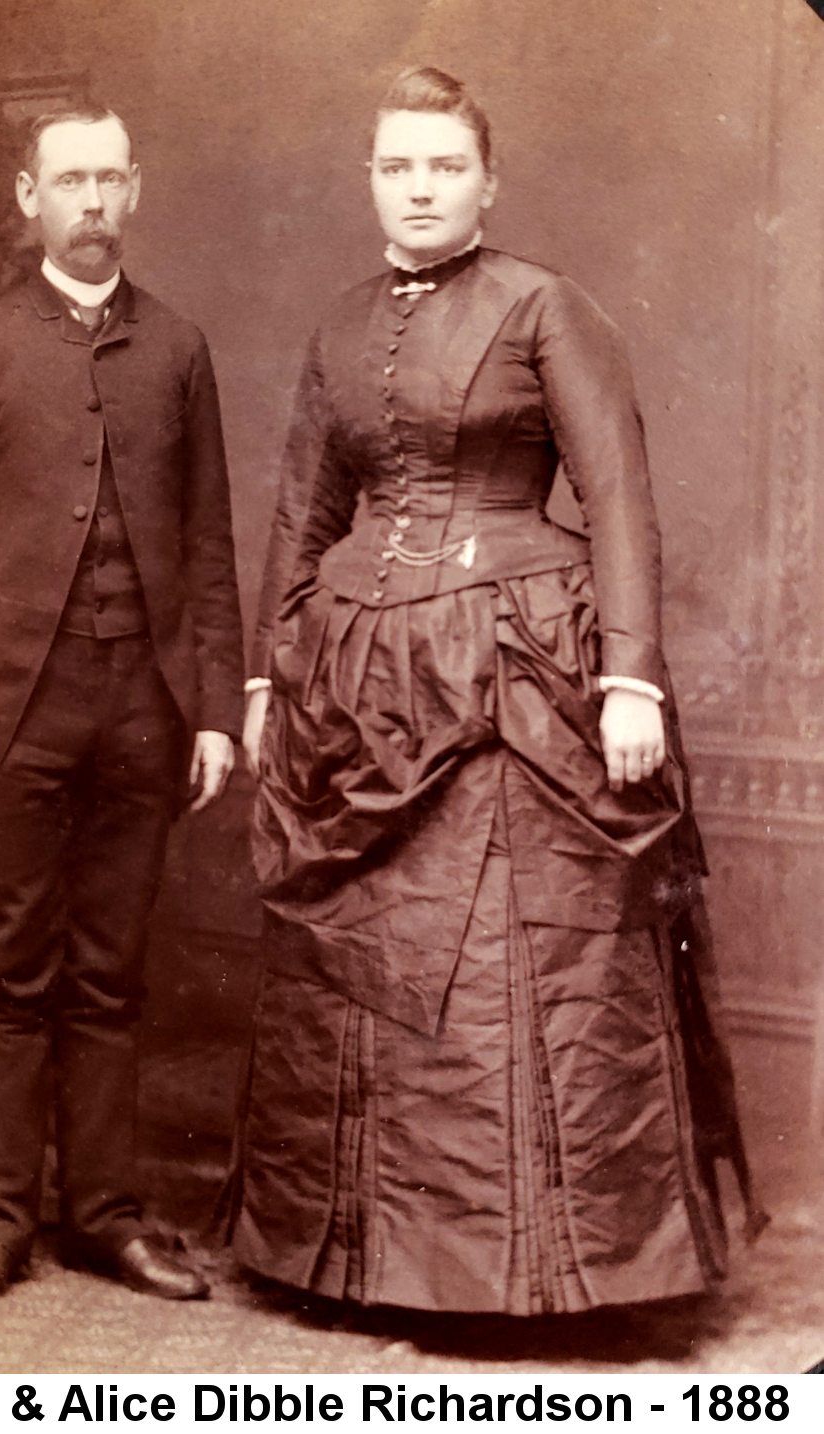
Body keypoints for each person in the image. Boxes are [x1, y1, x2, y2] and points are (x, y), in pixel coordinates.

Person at [229, 67, 763, 1315]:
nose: (419, 188)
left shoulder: (544, 308)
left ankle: (532, 1275)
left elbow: (618, 494)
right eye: (396, 166)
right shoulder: (341, 324)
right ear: (371, 179)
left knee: (516, 960)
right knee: (372, 959)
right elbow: (305, 513)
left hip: (519, 666)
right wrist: (267, 675)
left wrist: (628, 678)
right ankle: (373, 1263)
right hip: (357, 678)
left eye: (443, 166)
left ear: (486, 182)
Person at [0, 106, 244, 1300]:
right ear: (29, 199)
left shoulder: (179, 349)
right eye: (67, 180)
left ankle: (104, 1213)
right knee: (10, 969)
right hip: (18, 713)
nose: (91, 200)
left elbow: (205, 544)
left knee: (111, 969)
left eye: (109, 179)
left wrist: (210, 713)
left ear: (134, 192)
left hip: (143, 709)